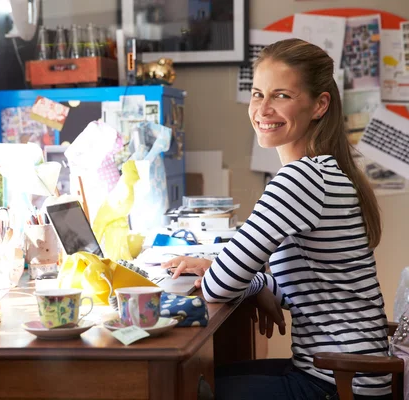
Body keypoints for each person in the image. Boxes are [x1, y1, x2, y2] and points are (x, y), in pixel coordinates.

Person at [163, 39, 391, 399]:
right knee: (199, 376)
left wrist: (219, 273)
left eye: (281, 95)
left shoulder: (301, 179)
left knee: (182, 387)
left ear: (319, 105)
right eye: (257, 94)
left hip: (340, 382)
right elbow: (300, 290)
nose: (262, 109)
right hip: (342, 374)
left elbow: (219, 286)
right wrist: (252, 284)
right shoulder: (324, 172)